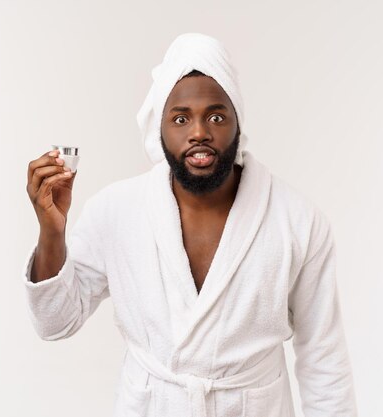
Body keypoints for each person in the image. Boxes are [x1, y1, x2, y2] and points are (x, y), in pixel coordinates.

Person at [22, 33, 358, 417]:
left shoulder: (297, 221)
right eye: (181, 118)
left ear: (237, 123)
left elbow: (323, 359)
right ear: (159, 128)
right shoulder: (116, 211)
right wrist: (52, 231)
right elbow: (54, 323)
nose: (199, 131)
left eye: (216, 116)